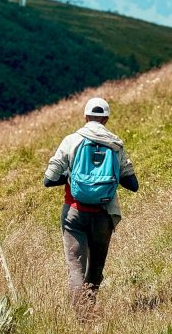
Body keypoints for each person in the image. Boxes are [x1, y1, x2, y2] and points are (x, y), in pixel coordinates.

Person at [44, 96, 139, 317]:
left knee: (75, 267)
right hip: (104, 214)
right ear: (106, 119)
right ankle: (90, 306)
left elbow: (49, 179)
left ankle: (82, 317)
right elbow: (133, 185)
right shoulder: (115, 144)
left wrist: (72, 178)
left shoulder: (71, 140)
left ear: (85, 117)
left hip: (74, 212)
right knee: (95, 268)